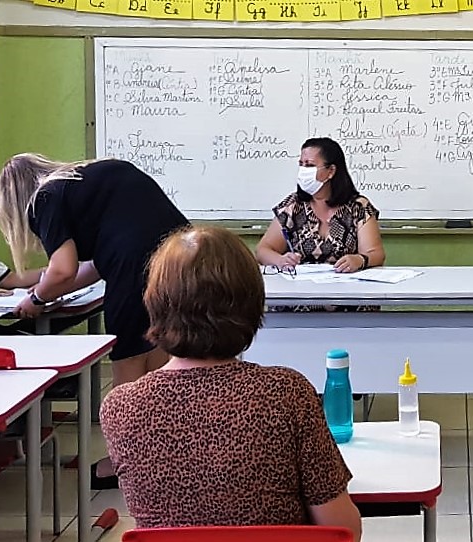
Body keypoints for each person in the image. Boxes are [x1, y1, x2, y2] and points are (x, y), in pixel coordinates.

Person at [100, 227, 362, 539]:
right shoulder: (286, 393)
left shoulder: (121, 407)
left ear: (155, 304)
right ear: (251, 304)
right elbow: (343, 530)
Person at [0, 154, 190, 488]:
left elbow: (63, 268)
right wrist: (46, 291)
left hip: (137, 273)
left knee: (128, 373)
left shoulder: (45, 198)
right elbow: (95, 265)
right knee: (161, 364)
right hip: (179, 261)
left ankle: (124, 465)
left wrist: (37, 299)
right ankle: (165, 455)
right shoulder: (93, 178)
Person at [255, 137, 385, 275]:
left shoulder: (358, 207)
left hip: (346, 289)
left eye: (310, 165)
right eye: (301, 164)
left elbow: (376, 254)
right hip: (299, 288)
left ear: (331, 171)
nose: (303, 170)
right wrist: (280, 260)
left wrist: (359, 260)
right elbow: (262, 250)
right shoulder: (293, 205)